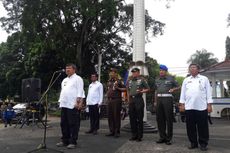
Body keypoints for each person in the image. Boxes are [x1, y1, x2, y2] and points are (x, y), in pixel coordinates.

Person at [179, 63, 213, 151]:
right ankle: (193, 143)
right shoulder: (186, 80)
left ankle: (203, 144)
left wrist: (209, 105)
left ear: (198, 69)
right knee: (190, 127)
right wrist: (182, 104)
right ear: (189, 70)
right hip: (189, 107)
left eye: (194, 67)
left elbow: (209, 93)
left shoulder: (204, 79)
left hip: (201, 107)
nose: (192, 69)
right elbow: (182, 93)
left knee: (203, 127)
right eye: (191, 68)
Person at [56, 63, 85, 149]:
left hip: (73, 105)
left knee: (73, 124)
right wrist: (60, 101)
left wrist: (79, 102)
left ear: (74, 69)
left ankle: (73, 141)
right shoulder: (64, 80)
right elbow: (63, 91)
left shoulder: (78, 79)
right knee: (63, 123)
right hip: (64, 104)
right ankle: (65, 140)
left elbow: (80, 91)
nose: (67, 70)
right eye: (66, 68)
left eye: (69, 68)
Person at [154, 64, 180, 145]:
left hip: (167, 99)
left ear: (166, 71)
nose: (161, 72)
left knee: (168, 119)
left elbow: (179, 86)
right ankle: (162, 137)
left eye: (163, 70)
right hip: (159, 100)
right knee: (160, 119)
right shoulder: (157, 79)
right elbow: (156, 91)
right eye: (160, 70)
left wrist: (173, 89)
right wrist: (155, 101)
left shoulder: (171, 78)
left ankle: (169, 138)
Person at [126, 67, 150, 142]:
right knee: (132, 118)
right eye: (133, 72)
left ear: (138, 73)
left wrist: (142, 91)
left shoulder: (142, 80)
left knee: (139, 118)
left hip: (139, 99)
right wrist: (128, 99)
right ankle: (134, 135)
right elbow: (128, 90)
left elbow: (148, 89)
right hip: (132, 100)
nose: (134, 73)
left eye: (135, 72)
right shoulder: (129, 81)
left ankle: (139, 136)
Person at [106, 68, 126, 138]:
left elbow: (125, 89)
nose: (110, 73)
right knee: (110, 116)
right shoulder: (109, 81)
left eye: (112, 72)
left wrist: (118, 88)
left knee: (116, 116)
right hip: (109, 100)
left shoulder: (119, 81)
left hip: (116, 100)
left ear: (115, 73)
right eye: (110, 72)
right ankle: (112, 131)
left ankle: (117, 132)